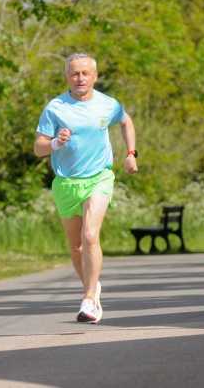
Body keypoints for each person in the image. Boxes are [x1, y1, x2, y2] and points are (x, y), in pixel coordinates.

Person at [34, 53, 138, 323]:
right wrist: (56, 143)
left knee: (90, 235)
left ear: (95, 76)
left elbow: (126, 121)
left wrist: (130, 153)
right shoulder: (55, 107)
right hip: (66, 182)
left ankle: (90, 298)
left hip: (99, 177)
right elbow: (38, 148)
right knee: (77, 247)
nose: (80, 78)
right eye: (74, 73)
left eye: (85, 73)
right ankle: (93, 286)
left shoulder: (107, 104)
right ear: (67, 76)